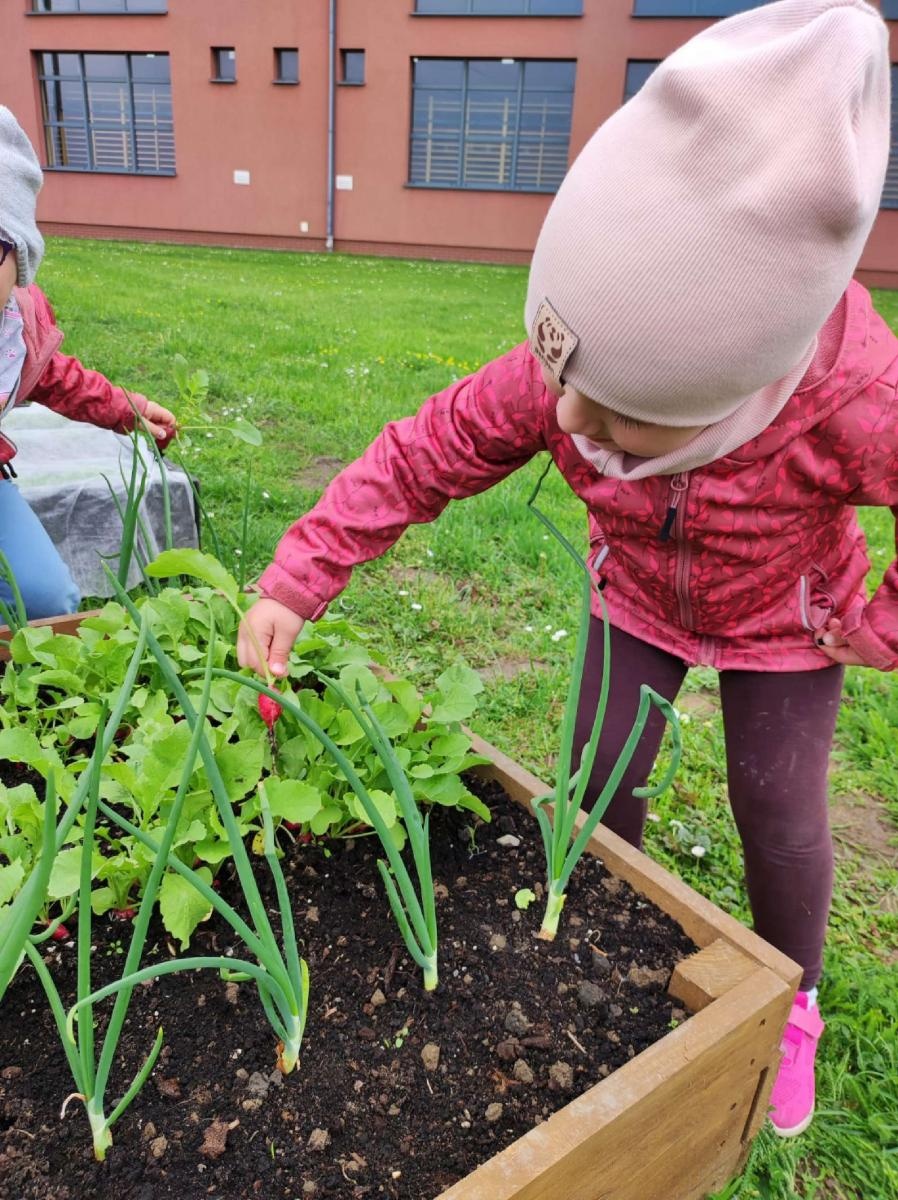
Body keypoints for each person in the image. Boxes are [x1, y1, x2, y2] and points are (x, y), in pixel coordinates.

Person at [237, 0, 897, 1139]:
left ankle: (788, 1007)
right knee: (597, 789)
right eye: (564, 390)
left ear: (727, 396)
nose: (571, 424)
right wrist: (300, 575)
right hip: (634, 598)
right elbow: (422, 454)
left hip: (787, 616)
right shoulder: (571, 374)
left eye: (621, 424)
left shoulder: (854, 395)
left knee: (778, 812)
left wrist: (877, 624)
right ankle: (605, 941)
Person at [0, 106, 176, 620]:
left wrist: (131, 411)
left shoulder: (20, 330)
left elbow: (61, 380)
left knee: (48, 601)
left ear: (20, 259)